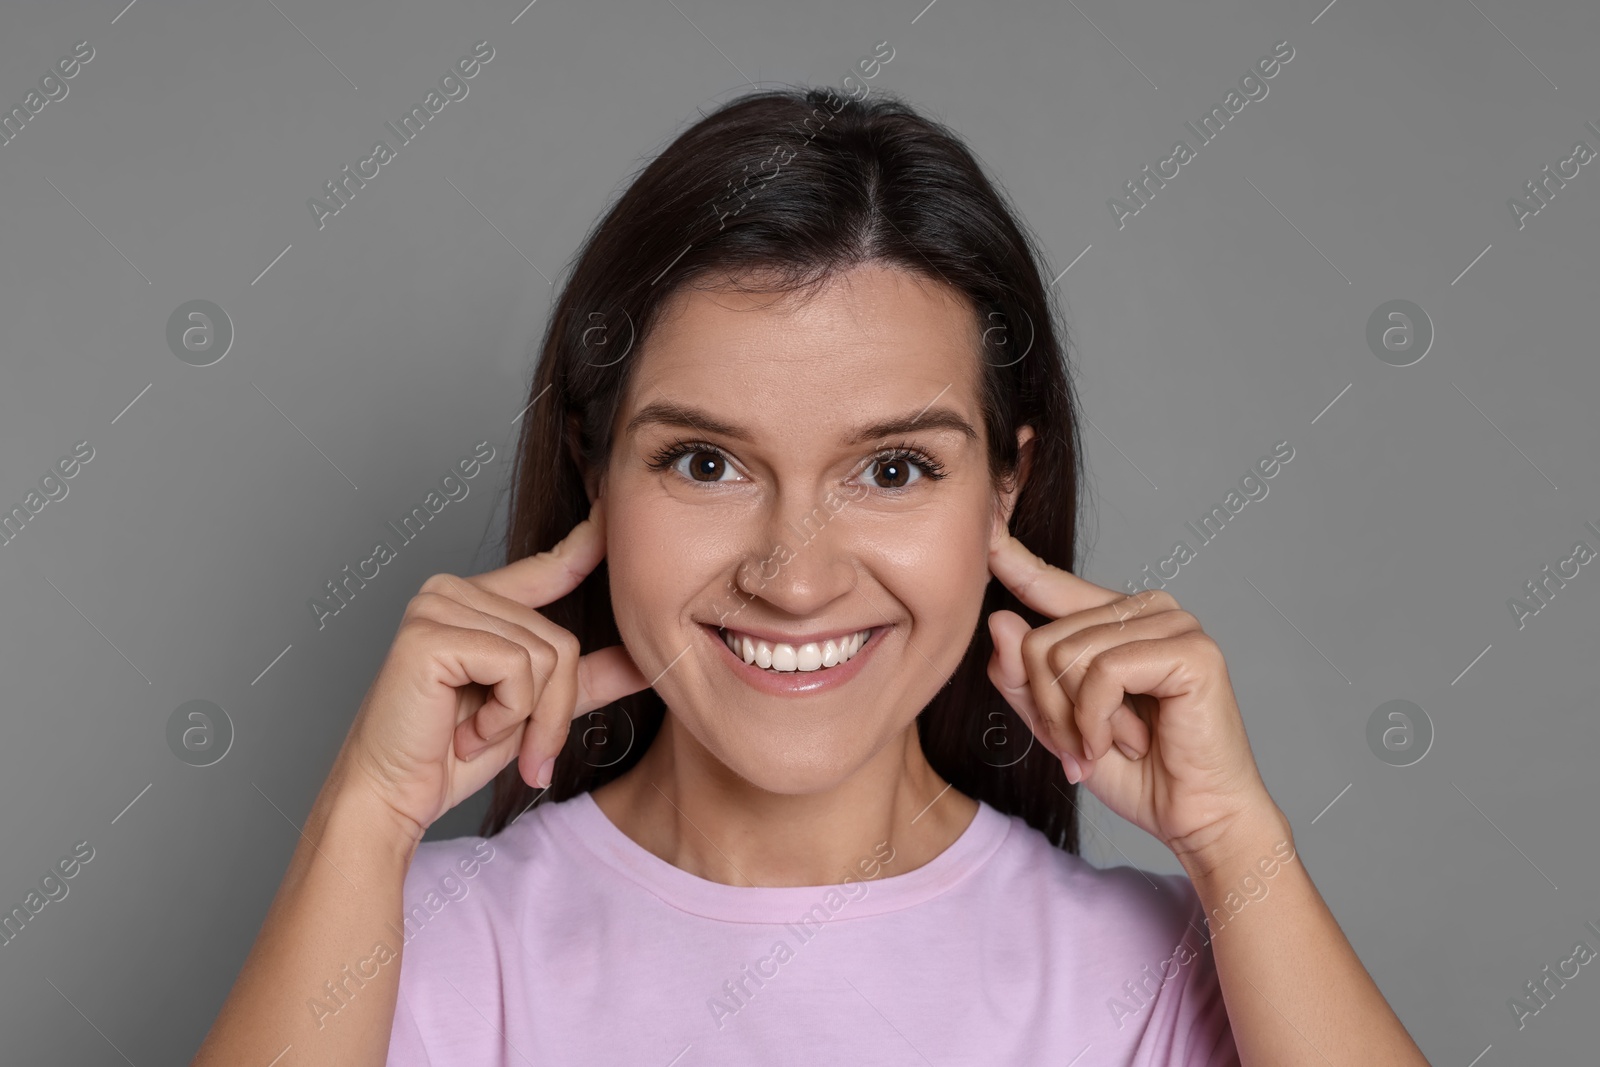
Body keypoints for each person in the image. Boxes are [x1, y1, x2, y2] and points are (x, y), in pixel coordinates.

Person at [193, 86, 1431, 1066]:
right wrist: (358, 821)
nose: (794, 578)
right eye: (704, 460)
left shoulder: (1154, 971)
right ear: (593, 472)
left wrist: (1235, 841)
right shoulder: (411, 940)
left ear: (1004, 488)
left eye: (891, 469)